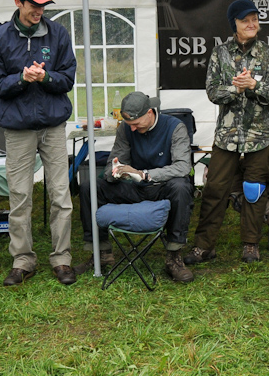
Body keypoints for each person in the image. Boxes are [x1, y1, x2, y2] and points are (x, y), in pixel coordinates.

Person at [0, 0, 79, 287]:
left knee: (61, 195)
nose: (39, 10)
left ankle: (62, 258)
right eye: (33, 5)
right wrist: (22, 80)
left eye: (43, 5)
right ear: (19, 3)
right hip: (18, 128)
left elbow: (67, 78)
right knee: (20, 196)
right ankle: (22, 260)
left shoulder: (58, 33)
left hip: (52, 125)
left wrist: (46, 77)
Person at [185, 0, 269, 266]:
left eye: (254, 19)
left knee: (254, 189)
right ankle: (204, 246)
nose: (252, 24)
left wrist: (253, 85)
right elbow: (212, 92)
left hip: (260, 135)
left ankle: (250, 244)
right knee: (215, 188)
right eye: (245, 20)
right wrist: (236, 89)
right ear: (235, 24)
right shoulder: (220, 54)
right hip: (227, 136)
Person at [79, 92, 196, 283]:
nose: (132, 129)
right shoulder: (126, 129)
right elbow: (112, 163)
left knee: (181, 187)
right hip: (133, 187)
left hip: (161, 186)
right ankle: (101, 253)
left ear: (150, 112)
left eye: (136, 123)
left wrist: (145, 174)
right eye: (129, 124)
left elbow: (183, 166)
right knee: (89, 187)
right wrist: (116, 171)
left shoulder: (175, 127)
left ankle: (174, 256)